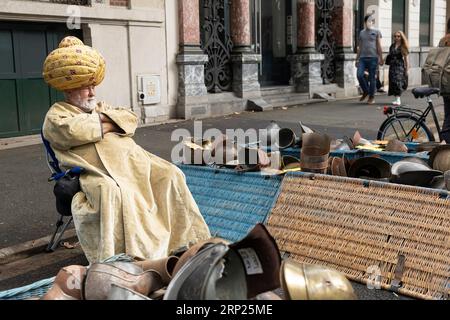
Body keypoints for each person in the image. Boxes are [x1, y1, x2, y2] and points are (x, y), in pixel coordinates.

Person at [42, 36, 211, 263]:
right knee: (113, 191)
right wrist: (111, 123)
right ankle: (128, 258)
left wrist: (103, 122)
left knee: (172, 174)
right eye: (85, 88)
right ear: (70, 89)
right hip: (95, 172)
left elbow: (130, 119)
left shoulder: (100, 107)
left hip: (135, 162)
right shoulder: (56, 114)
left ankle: (184, 243)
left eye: (93, 86)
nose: (92, 93)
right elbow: (73, 130)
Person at [356, 14, 384, 105]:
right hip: (363, 58)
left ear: (373, 22)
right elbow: (360, 47)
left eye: (371, 21)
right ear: (365, 22)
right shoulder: (361, 33)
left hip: (373, 58)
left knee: (372, 78)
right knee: (359, 75)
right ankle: (366, 91)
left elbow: (379, 46)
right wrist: (357, 59)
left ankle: (371, 97)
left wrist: (381, 58)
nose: (369, 22)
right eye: (367, 21)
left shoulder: (377, 32)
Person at [387, 31, 409, 106]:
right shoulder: (392, 46)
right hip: (392, 66)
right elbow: (389, 55)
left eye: (398, 36)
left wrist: (407, 69)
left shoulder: (403, 46)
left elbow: (406, 59)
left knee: (397, 81)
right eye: (395, 36)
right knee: (393, 81)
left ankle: (398, 99)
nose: (396, 37)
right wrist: (383, 60)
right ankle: (396, 98)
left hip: (399, 66)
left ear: (401, 37)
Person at [438, 19, 450, 143]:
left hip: (444, 82)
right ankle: (445, 149)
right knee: (448, 119)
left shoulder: (443, 40)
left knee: (448, 115)